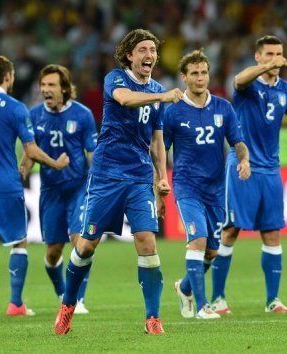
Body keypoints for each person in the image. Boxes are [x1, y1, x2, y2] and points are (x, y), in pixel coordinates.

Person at [53, 28, 184, 335]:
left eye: (153, 50)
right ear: (130, 55)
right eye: (143, 50)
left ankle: (153, 317)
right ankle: (68, 304)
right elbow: (124, 101)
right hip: (107, 174)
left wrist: (162, 179)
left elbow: (157, 142)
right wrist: (162, 96)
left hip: (139, 178)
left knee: (148, 243)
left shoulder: (156, 89)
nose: (149, 54)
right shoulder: (116, 79)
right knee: (86, 246)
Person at [0, 54, 70, 318]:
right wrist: (54, 163)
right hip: (7, 185)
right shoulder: (15, 107)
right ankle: (15, 303)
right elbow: (30, 148)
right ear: (8, 76)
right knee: (18, 243)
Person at [211, 35, 287, 314]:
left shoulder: (286, 90)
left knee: (272, 234)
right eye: (269, 54)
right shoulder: (247, 86)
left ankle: (272, 300)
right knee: (231, 231)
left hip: (270, 171)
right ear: (258, 56)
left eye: (279, 54)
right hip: (243, 167)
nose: (276, 59)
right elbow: (239, 79)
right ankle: (218, 298)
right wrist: (267, 67)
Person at [164, 50, 250, 320]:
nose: (200, 78)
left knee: (212, 251)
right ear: (184, 77)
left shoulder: (223, 108)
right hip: (187, 186)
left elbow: (238, 142)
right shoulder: (173, 111)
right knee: (197, 240)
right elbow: (160, 147)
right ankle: (203, 306)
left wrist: (244, 160)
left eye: (204, 72)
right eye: (194, 73)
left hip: (215, 189)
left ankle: (184, 287)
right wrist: (159, 179)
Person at [20, 64, 98, 314]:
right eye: (43, 85)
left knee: (81, 243)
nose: (46, 90)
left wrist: (96, 182)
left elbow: (92, 153)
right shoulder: (34, 115)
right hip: (51, 191)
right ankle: (62, 292)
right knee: (53, 252)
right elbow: (30, 151)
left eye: (51, 85)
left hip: (78, 189)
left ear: (64, 88)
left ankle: (78, 299)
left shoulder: (82, 115)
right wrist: (24, 166)